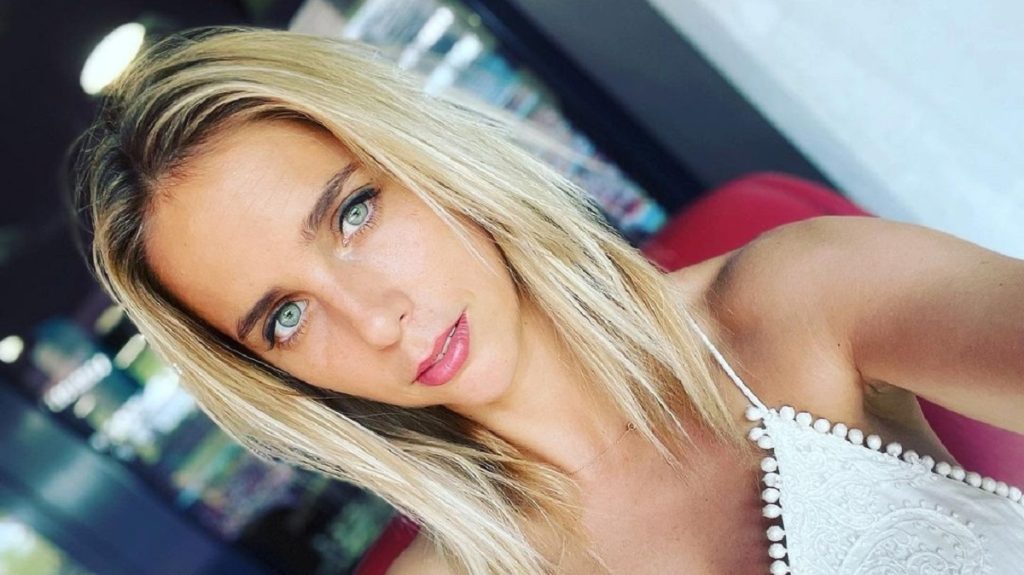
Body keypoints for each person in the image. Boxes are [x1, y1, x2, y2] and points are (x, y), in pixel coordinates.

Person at [71, 27, 1024, 575]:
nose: (374, 317)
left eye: (353, 213)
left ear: (427, 162)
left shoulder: (798, 299)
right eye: (285, 317)